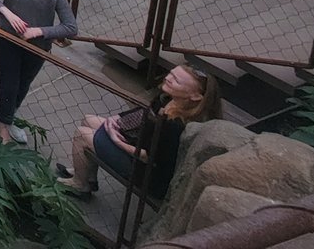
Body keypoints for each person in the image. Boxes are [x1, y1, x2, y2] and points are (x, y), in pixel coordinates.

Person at [56, 65, 220, 200]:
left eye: (176, 80)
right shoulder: (169, 99)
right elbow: (144, 114)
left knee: (82, 135)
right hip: (140, 142)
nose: (168, 78)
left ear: (195, 96)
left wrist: (116, 139)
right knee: (89, 120)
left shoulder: (176, 126)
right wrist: (116, 119)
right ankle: (87, 176)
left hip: (148, 173)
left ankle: (80, 185)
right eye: (171, 73)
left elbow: (148, 157)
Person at [0, 0, 78, 144]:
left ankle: (9, 117)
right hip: (9, 40)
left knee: (23, 84)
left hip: (37, 47)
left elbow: (70, 27)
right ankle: (3, 127)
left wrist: (38, 31)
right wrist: (6, 12)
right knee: (9, 84)